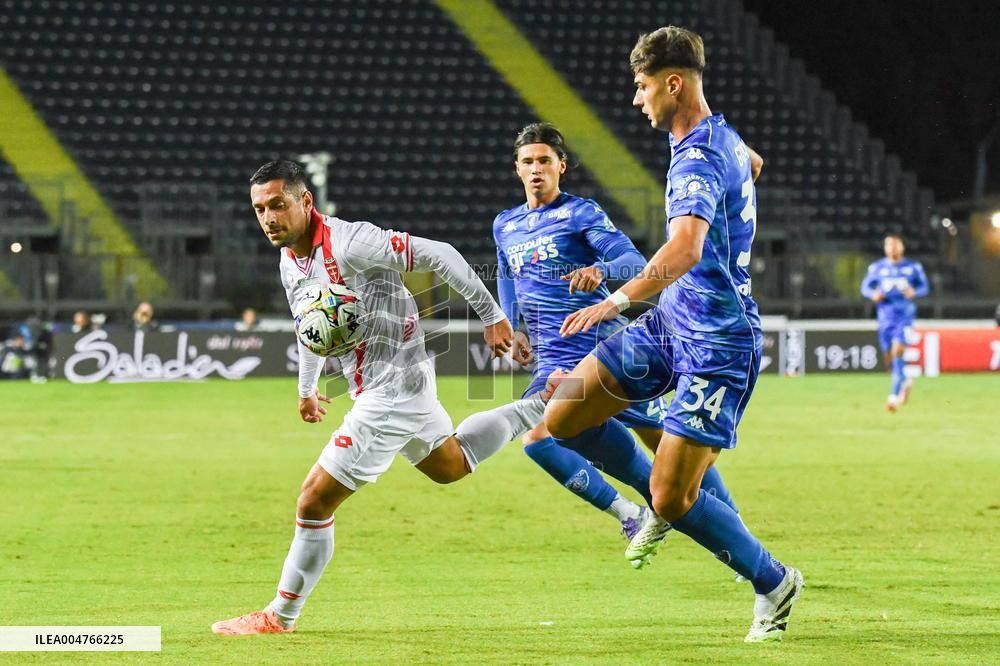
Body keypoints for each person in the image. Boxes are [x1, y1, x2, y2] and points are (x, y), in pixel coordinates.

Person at [212, 160, 549, 635]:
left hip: (392, 389)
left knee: (312, 502)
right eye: (260, 209)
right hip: (391, 384)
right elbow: (310, 327)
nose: (269, 217)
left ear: (305, 201)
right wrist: (307, 388)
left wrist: (492, 315)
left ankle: (279, 615)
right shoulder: (291, 261)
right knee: (449, 464)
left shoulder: (352, 242)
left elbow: (440, 253)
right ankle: (546, 402)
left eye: (278, 205)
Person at [543, 26, 802, 642]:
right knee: (564, 414)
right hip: (671, 326)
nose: (637, 100)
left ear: (673, 83)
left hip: (718, 342)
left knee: (671, 498)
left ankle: (775, 582)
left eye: (641, 86)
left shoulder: (698, 153)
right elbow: (752, 164)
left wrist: (615, 301)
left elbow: (684, 246)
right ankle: (660, 424)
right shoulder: (720, 139)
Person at [495, 122, 740, 538]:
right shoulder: (505, 224)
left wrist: (601, 270)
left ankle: (727, 525)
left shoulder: (580, 213)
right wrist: (511, 323)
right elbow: (506, 271)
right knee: (537, 439)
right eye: (528, 162)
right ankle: (633, 512)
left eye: (544, 161)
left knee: (667, 443)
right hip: (554, 356)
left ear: (561, 166)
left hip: (603, 345)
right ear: (517, 169)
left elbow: (632, 261)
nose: (536, 169)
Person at [860, 234, 929, 411]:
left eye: (896, 245)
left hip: (904, 317)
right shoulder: (877, 267)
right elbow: (865, 287)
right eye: (889, 245)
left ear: (902, 248)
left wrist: (915, 292)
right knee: (888, 357)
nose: (893, 248)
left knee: (898, 351)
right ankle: (905, 381)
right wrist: (872, 294)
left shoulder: (913, 267)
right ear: (885, 248)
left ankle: (893, 398)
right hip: (885, 317)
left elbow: (924, 287)